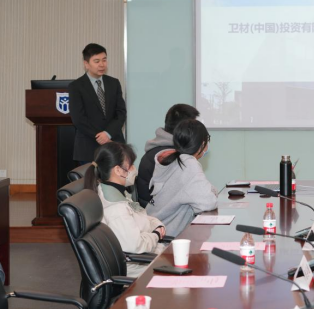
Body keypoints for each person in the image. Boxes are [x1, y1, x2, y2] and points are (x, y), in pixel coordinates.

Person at [83, 142, 165, 277]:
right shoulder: (116, 208)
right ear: (118, 170)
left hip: (145, 258)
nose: (134, 169)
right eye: (130, 165)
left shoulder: (117, 192)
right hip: (138, 268)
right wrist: (155, 235)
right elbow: (136, 245)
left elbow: (140, 216)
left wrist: (156, 225)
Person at [146, 119, 218, 237]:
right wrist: (212, 192)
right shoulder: (189, 165)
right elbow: (208, 203)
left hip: (152, 228)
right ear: (202, 144)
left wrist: (210, 191)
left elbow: (205, 190)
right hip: (165, 237)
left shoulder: (173, 159)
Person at [69, 43, 127, 164]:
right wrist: (100, 136)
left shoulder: (114, 83)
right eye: (96, 61)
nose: (102, 64)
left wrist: (108, 134)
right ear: (86, 64)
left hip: (114, 143)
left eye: (104, 60)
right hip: (88, 147)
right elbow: (78, 118)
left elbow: (121, 113)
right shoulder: (76, 86)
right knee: (90, 177)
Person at [137, 104, 200, 208]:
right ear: (185, 130)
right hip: (160, 215)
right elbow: (196, 194)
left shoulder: (156, 150)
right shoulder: (170, 156)